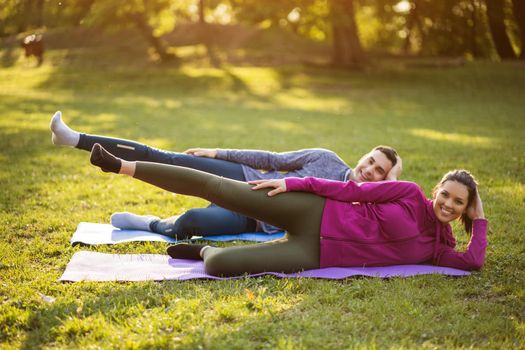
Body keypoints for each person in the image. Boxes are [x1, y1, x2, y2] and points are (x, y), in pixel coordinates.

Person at [88, 143, 487, 277]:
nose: (448, 205)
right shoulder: (407, 193)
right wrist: (292, 184)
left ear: (465, 209)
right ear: (436, 190)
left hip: (317, 254)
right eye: (446, 195)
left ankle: (204, 249)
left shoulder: (440, 248)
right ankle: (120, 165)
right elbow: (345, 192)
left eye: (459, 203)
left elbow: (474, 261)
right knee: (219, 188)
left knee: (219, 268)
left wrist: (481, 216)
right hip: (314, 212)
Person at [50, 111, 402, 239]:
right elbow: (271, 157)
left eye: (378, 170)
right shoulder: (326, 159)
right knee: (169, 158)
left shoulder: (359, 208)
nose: (368, 169)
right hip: (244, 174)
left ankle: (150, 223)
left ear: (385, 179)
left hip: (252, 217)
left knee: (190, 224)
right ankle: (75, 139)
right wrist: (217, 153)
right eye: (370, 160)